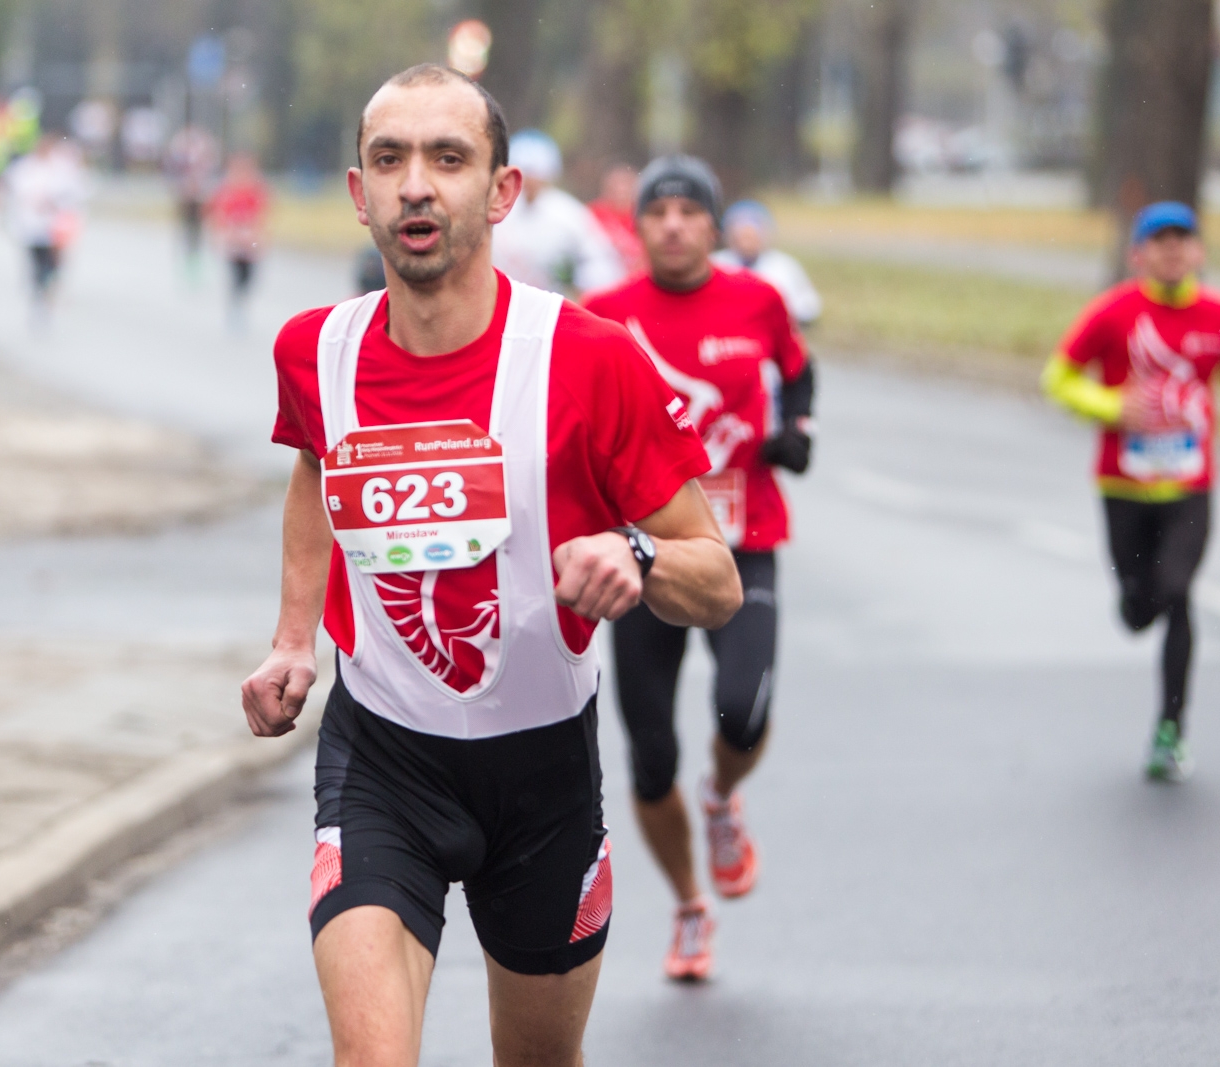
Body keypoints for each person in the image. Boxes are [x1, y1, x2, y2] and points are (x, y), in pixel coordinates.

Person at [241, 64, 742, 1067]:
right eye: (390, 160)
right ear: (358, 193)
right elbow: (315, 467)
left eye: (447, 158)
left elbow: (718, 579)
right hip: (383, 757)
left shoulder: (591, 359)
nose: (415, 185)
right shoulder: (316, 351)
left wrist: (635, 551)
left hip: (543, 774)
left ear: (502, 192)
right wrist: (293, 635)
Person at [582, 156, 815, 982]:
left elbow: (797, 369)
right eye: (659, 211)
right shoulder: (602, 318)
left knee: (742, 709)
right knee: (649, 754)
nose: (674, 224)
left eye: (690, 211)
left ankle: (721, 797)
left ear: (715, 225)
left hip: (746, 537)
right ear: (636, 226)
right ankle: (688, 904)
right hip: (644, 550)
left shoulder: (760, 301)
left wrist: (802, 431)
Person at [1041, 201, 1220, 783]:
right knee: (1141, 609)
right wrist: (1113, 406)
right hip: (1123, 486)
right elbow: (1058, 378)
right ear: (1137, 253)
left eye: (1182, 240)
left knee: (1178, 590)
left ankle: (1171, 728)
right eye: (1159, 241)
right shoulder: (1112, 313)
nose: (1172, 250)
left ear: (1199, 251)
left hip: (1190, 488)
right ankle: (1134, 604)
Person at [490, 128, 626, 295]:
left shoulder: (569, 214)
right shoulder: (496, 208)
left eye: (536, 174)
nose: (529, 182)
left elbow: (601, 265)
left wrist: (579, 287)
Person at [0, 134, 86, 319]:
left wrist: (56, 202)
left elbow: (75, 191)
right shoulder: (24, 168)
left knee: (53, 261)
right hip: (31, 225)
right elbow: (14, 191)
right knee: (36, 261)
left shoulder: (61, 168)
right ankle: (38, 291)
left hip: (54, 226)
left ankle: (47, 287)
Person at [712, 199, 822, 327]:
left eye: (752, 235)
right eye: (742, 235)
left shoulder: (785, 266)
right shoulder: (715, 263)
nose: (747, 240)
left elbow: (809, 307)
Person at [206, 152, 271, 324]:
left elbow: (262, 211)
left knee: (249, 274)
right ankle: (236, 302)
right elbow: (219, 213)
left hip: (249, 240)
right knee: (235, 273)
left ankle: (242, 296)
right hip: (233, 240)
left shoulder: (255, 188)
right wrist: (222, 235)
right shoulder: (226, 189)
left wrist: (258, 235)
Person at [163, 124, 220, 271]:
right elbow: (173, 168)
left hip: (199, 195)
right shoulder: (180, 145)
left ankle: (194, 257)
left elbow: (210, 167)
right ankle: (187, 257)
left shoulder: (202, 145)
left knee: (197, 227)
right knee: (187, 227)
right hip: (185, 195)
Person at [587, 163, 647, 276]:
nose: (621, 190)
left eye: (626, 185)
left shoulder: (644, 215)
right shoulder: (593, 213)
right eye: (616, 186)